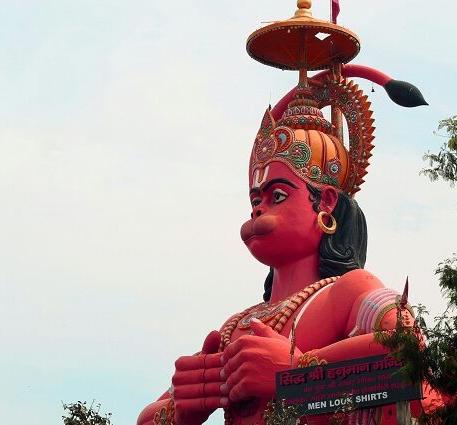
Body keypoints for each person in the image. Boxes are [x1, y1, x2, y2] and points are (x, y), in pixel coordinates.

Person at [137, 90, 441, 425]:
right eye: (255, 198)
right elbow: (146, 417)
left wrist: (294, 372)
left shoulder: (350, 290)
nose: (258, 208)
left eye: (276, 195)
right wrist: (181, 411)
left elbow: (407, 350)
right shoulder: (233, 328)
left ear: (325, 203)